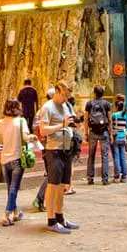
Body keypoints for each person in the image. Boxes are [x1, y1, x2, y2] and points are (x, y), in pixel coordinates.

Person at [37, 80, 80, 234]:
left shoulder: (66, 105)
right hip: (53, 150)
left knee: (62, 186)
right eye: (64, 95)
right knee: (53, 185)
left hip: (66, 150)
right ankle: (51, 220)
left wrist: (73, 124)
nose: (65, 99)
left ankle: (60, 217)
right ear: (57, 91)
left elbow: (70, 121)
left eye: (68, 96)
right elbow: (43, 131)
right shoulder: (47, 107)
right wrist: (61, 125)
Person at [0, 99, 37, 226]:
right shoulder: (21, 121)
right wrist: (33, 137)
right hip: (17, 158)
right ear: (17, 108)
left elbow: (0, 138)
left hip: (4, 159)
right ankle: (7, 214)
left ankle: (16, 213)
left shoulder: (1, 122)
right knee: (14, 188)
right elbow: (25, 137)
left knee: (10, 188)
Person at [33, 87, 56, 211]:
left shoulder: (41, 109)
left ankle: (45, 199)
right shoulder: (49, 109)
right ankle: (40, 198)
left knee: (51, 173)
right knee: (52, 174)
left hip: (45, 144)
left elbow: (35, 125)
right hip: (50, 145)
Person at [85, 85, 112, 185]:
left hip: (92, 132)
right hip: (104, 131)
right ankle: (105, 179)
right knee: (104, 155)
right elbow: (109, 120)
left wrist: (85, 132)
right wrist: (111, 133)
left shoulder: (89, 103)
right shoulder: (106, 104)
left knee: (91, 155)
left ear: (94, 93)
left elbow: (86, 118)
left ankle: (90, 178)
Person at [110, 95, 127, 183]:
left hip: (116, 137)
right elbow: (125, 126)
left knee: (117, 157)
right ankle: (124, 176)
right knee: (123, 157)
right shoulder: (125, 115)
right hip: (123, 138)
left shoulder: (114, 115)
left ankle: (117, 175)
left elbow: (111, 125)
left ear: (117, 106)